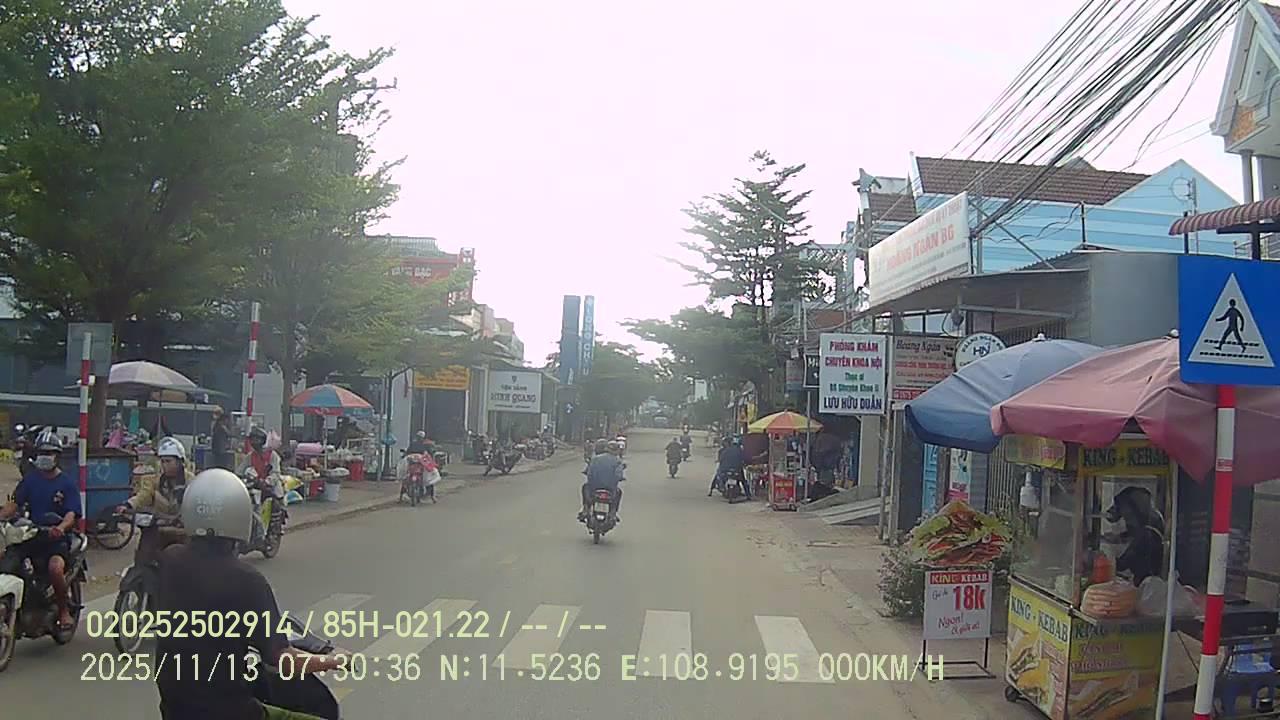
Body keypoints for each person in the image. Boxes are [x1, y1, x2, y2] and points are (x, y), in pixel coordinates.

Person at [154, 469, 343, 719]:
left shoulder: (170, 561)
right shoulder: (246, 580)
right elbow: (283, 660)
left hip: (174, 708)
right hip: (230, 712)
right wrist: (335, 660)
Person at [0, 430, 81, 630]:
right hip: (30, 535)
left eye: (49, 453)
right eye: (42, 453)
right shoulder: (30, 480)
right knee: (6, 561)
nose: (45, 457)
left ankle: (63, 611)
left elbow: (71, 514)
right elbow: (14, 503)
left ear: (57, 456)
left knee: (55, 568)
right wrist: (3, 514)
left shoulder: (67, 484)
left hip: (56, 539)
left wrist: (60, 528)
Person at [121, 436, 192, 566]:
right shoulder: (155, 481)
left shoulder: (192, 482)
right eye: (162, 461)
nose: (164, 465)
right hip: (158, 529)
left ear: (180, 462)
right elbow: (143, 495)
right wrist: (129, 504)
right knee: (143, 556)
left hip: (184, 532)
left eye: (168, 461)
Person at [1105, 486, 1165, 586]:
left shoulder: (1146, 536)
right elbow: (1135, 532)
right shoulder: (1152, 528)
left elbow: (1122, 563)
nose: (1126, 520)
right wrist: (1120, 537)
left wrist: (1102, 561)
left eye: (1127, 515)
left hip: (1146, 585)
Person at [578, 439, 624, 522]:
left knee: (585, 487)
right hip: (610, 488)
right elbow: (619, 475)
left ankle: (585, 509)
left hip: (594, 487)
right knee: (618, 492)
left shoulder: (595, 459)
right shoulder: (617, 461)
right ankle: (613, 512)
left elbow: (589, 472)